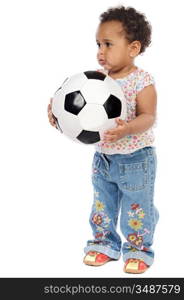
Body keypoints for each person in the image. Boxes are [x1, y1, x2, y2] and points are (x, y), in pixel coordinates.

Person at [47, 5, 159, 274]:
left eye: (108, 44)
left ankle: (138, 250)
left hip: (136, 160)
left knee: (137, 208)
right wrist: (58, 116)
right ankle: (103, 245)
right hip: (104, 158)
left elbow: (148, 117)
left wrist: (127, 128)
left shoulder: (141, 81)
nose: (100, 51)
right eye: (98, 44)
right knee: (102, 205)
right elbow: (81, 118)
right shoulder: (96, 81)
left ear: (133, 48)